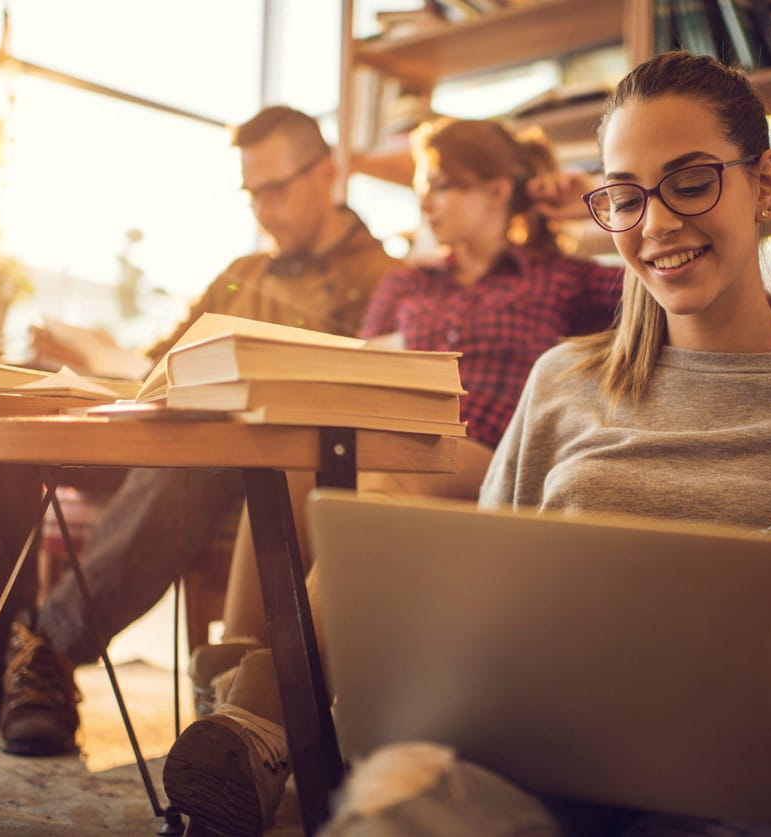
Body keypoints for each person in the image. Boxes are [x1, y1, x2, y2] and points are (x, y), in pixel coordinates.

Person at [311, 51, 771, 837]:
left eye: (691, 181)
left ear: (765, 182)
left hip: (746, 798)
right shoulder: (560, 381)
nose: (656, 223)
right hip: (535, 768)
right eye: (624, 196)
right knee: (395, 811)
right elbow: (471, 632)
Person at [161, 117, 625, 836]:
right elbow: (363, 370)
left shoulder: (563, 278)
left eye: (442, 184)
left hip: (488, 458)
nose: (427, 201)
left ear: (498, 189)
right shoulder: (407, 282)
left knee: (381, 474)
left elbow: (657, 290)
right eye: (422, 187)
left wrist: (587, 201)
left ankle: (253, 712)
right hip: (385, 445)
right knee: (281, 460)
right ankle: (238, 717)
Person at [0, 105, 396, 758]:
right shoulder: (243, 269)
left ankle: (42, 652)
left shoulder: (384, 279)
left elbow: (349, 394)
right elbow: (161, 360)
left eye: (275, 189)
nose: (264, 209)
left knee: (199, 448)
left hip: (247, 454)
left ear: (325, 172)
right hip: (156, 424)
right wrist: (97, 357)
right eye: (253, 192)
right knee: (15, 415)